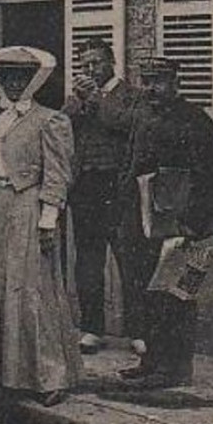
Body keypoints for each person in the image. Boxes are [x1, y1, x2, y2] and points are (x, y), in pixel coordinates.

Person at [0, 46, 81, 407]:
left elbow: (58, 174)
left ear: (33, 81)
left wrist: (48, 218)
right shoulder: (1, 120)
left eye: (20, 79)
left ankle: (48, 377)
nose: (13, 85)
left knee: (32, 290)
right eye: (7, 78)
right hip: (0, 206)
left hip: (30, 206)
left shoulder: (50, 120)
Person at [114, 57, 213, 389]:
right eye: (146, 80)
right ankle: (151, 361)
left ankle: (175, 368)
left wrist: (193, 222)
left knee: (175, 293)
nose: (151, 88)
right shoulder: (143, 117)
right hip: (140, 218)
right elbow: (130, 165)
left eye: (159, 81)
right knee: (145, 291)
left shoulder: (195, 121)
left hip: (178, 222)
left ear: (176, 83)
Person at [62, 38, 142, 355]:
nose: (90, 69)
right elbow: (62, 125)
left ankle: (138, 329)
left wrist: (96, 100)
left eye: (95, 63)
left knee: (128, 258)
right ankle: (92, 328)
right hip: (86, 187)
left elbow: (125, 125)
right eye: (84, 65)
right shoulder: (78, 99)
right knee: (88, 261)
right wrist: (79, 103)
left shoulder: (130, 96)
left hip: (118, 186)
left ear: (111, 63)